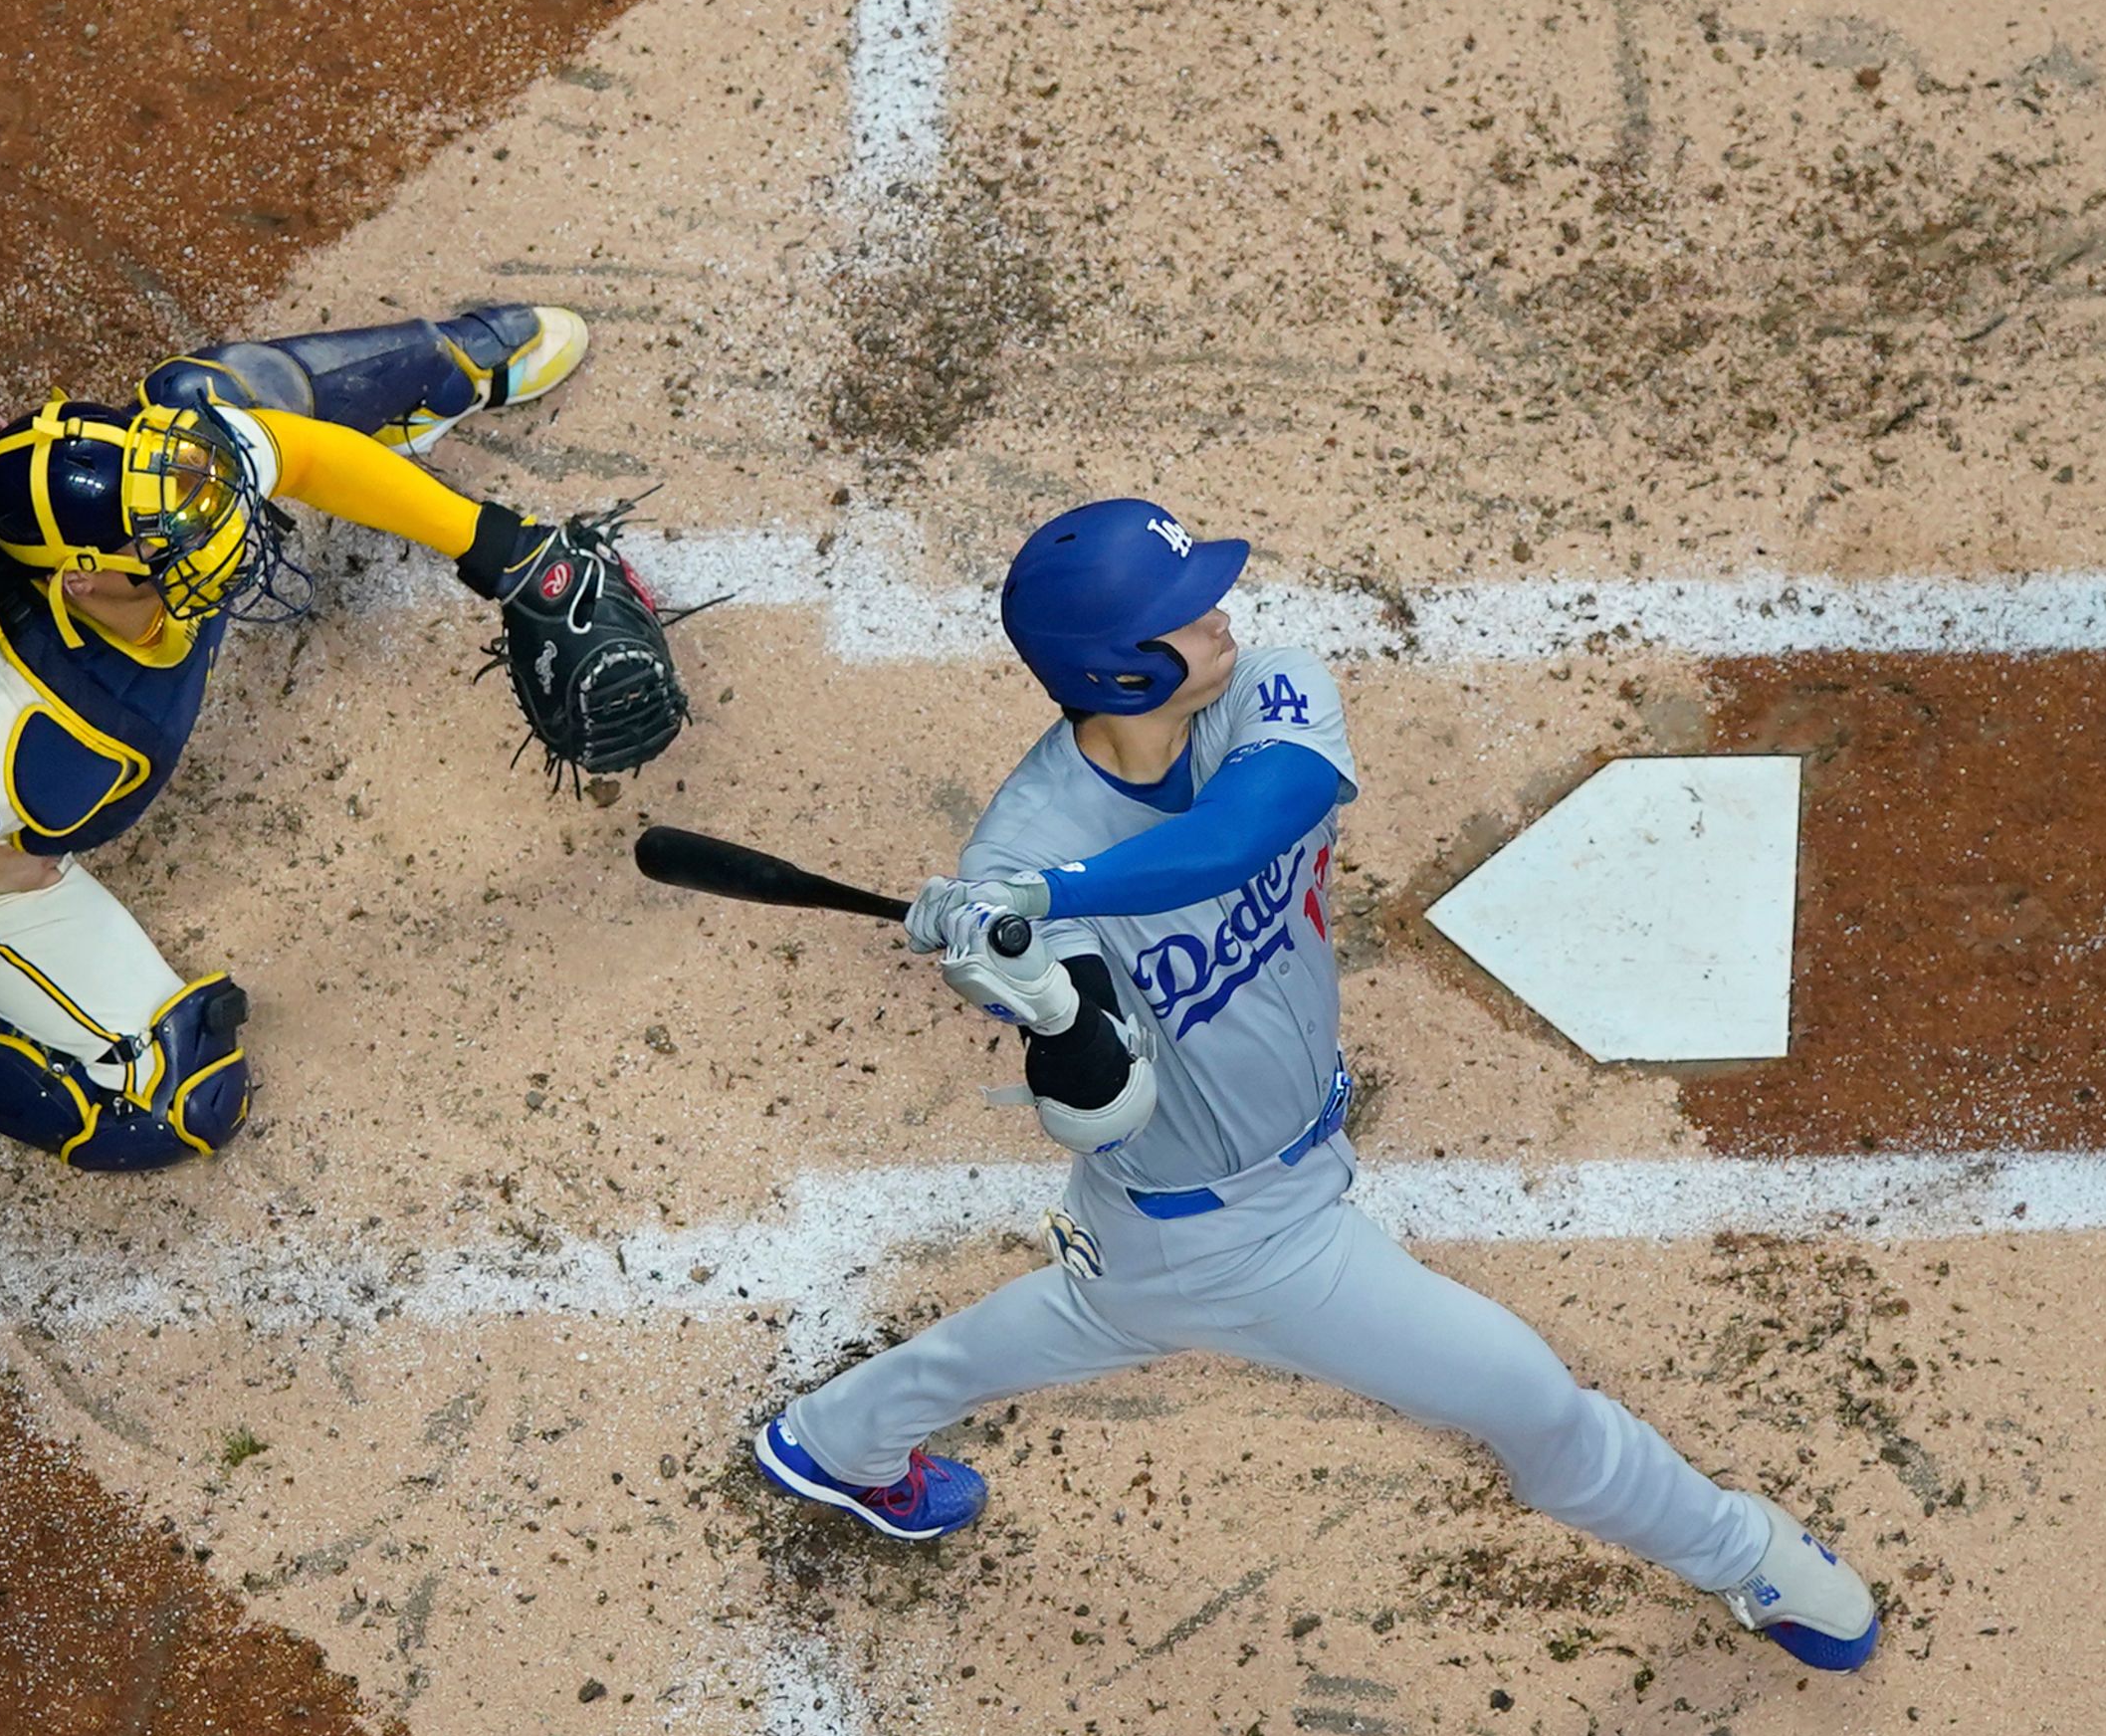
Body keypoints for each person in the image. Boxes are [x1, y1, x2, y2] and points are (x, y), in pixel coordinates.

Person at [743, 498, 1880, 1671]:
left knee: (1102, 1311)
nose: (1222, 617)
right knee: (1530, 1400)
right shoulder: (1016, 858)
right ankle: (1747, 1555)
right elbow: (1099, 1106)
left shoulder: (1256, 693)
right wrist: (1038, 996)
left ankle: (836, 1440)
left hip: (1214, 1200)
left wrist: (1059, 896)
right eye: (1183, 615)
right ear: (1119, 670)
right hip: (1236, 1233)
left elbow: (1249, 826)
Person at [0, 303, 677, 1168]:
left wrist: (500, 548)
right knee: (177, 1102)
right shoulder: (23, 744)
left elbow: (286, 457)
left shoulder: (147, 515)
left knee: (205, 406)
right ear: (81, 580)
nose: (229, 533)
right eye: (170, 552)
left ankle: (446, 366)